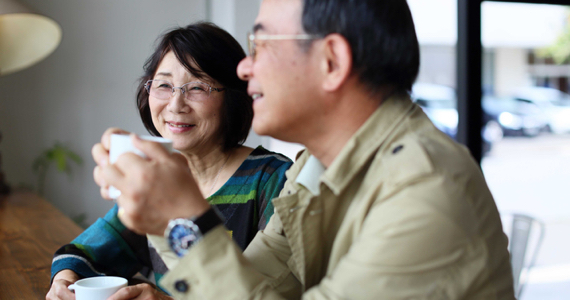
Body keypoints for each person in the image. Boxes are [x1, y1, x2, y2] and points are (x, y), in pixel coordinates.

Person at [95, 0, 516, 299]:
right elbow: (254, 285)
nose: (244, 67)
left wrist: (180, 220)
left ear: (331, 61)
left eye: (261, 45)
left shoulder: (424, 192)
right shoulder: (314, 169)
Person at [46, 22, 292, 300]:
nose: (176, 104)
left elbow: (264, 293)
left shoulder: (275, 179)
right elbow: (84, 253)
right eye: (164, 85)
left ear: (233, 97)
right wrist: (64, 282)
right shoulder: (157, 179)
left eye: (197, 87)